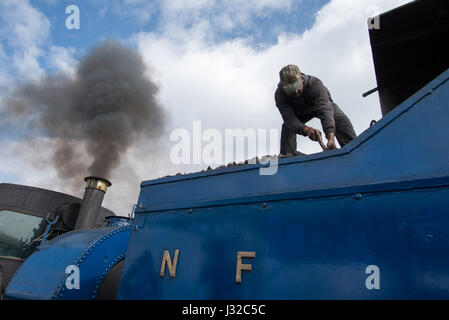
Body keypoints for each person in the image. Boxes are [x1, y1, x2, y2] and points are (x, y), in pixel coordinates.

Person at [275, 64, 357, 155]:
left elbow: (325, 109)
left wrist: (330, 137)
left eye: (297, 87)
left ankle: (352, 145)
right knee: (287, 127)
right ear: (283, 87)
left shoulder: (315, 84)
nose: (295, 92)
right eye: (290, 89)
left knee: (339, 117)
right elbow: (290, 119)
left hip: (322, 106)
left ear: (301, 80)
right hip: (299, 113)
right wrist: (307, 130)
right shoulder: (280, 95)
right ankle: (288, 155)